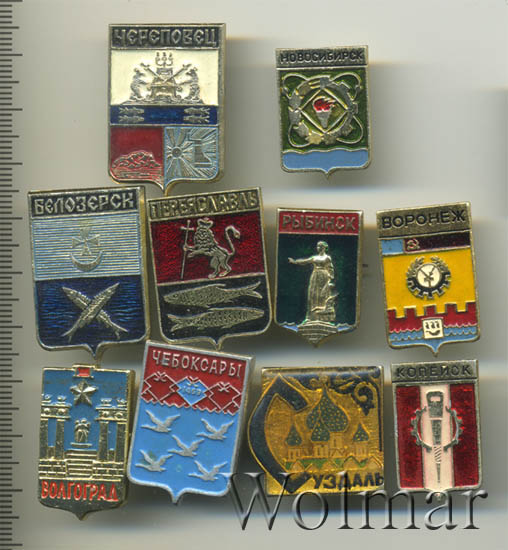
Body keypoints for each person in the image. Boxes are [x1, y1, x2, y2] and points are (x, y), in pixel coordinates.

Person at [289, 241, 337, 323]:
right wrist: (295, 261)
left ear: (324, 248)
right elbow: (305, 261)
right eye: (317, 246)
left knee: (322, 295)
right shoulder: (314, 257)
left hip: (324, 276)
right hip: (315, 275)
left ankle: (322, 316)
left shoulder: (327, 258)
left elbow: (330, 268)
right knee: (312, 294)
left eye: (320, 246)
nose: (318, 248)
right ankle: (311, 316)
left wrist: (330, 278)